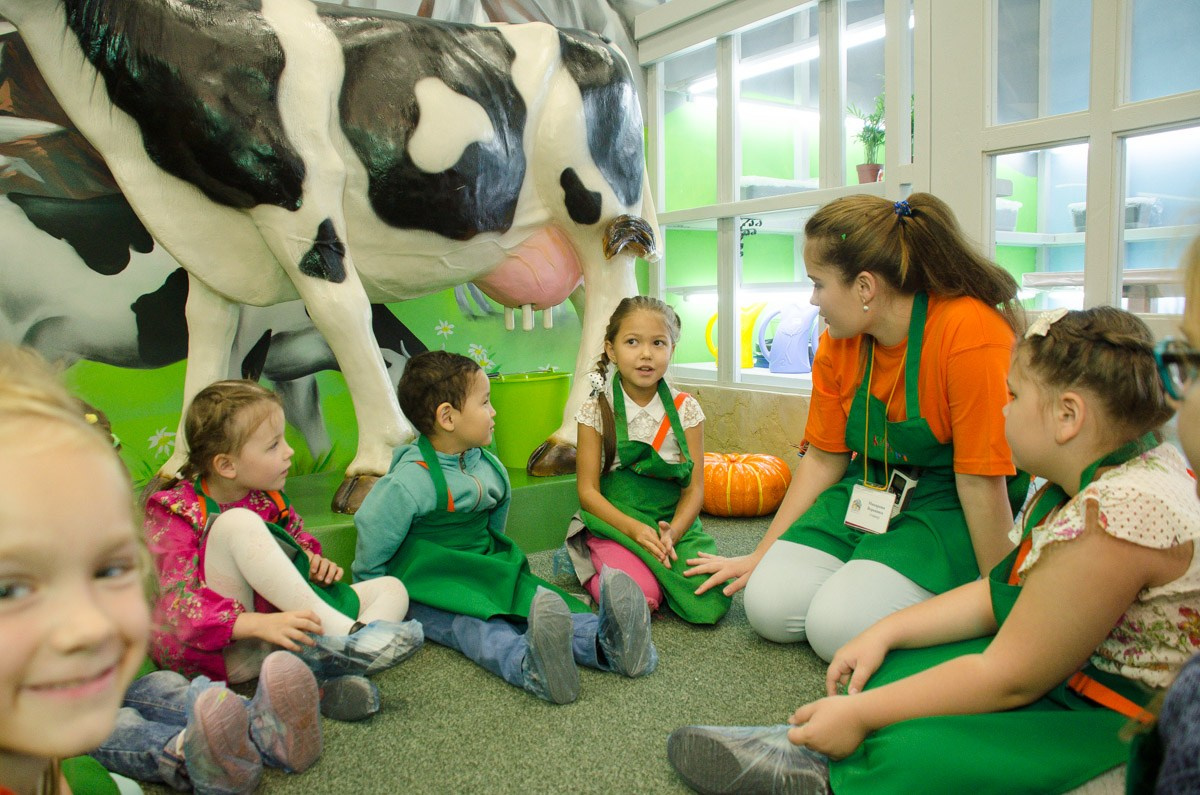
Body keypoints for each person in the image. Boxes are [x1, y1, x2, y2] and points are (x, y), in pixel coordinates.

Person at [667, 306, 1200, 794]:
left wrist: (863, 716)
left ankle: (825, 775)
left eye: (1012, 396)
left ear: (1068, 416)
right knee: (901, 668)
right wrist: (888, 630)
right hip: (1071, 658)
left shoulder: (1113, 520)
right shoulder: (1090, 477)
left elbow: (1010, 677)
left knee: (918, 748)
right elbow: (1000, 593)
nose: (1000, 407)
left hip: (1118, 709)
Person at [684, 193, 1028, 660]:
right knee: (768, 608)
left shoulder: (970, 333)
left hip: (951, 502)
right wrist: (760, 552)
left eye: (818, 283)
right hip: (868, 486)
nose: (812, 299)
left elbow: (980, 480)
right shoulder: (838, 340)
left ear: (865, 287)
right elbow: (824, 459)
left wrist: (998, 600)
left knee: (834, 629)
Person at [353, 350, 657, 705]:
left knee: (537, 600)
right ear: (448, 417)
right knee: (478, 626)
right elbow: (373, 531)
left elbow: (496, 525)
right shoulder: (408, 481)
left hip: (485, 564)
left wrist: (500, 565)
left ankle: (606, 643)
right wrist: (373, 593)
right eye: (485, 403)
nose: (493, 412)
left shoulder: (491, 468)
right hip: (432, 583)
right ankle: (528, 665)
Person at [143, 380, 421, 713]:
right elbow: (176, 606)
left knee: (392, 590)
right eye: (273, 445)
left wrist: (315, 563)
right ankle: (347, 641)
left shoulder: (268, 497)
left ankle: (330, 667)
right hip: (225, 654)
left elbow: (297, 547)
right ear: (226, 465)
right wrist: (258, 625)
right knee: (237, 523)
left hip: (277, 640)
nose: (289, 451)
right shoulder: (173, 510)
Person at [561, 295, 731, 624]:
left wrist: (674, 534)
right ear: (611, 350)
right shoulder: (596, 411)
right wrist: (635, 530)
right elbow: (588, 493)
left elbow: (694, 490)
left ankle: (654, 569)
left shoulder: (687, 409)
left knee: (711, 598)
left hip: (671, 521)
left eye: (658, 343)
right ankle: (592, 562)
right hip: (617, 522)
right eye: (632, 342)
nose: (646, 354)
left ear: (671, 348)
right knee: (638, 597)